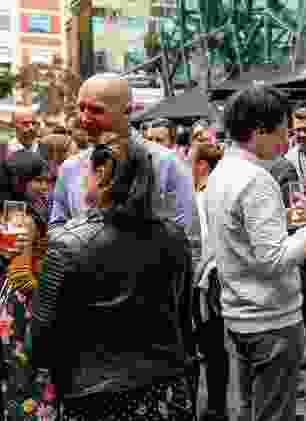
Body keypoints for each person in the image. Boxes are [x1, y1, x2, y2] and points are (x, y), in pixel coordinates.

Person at [31, 133, 197, 421]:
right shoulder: (174, 237)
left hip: (94, 399)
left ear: (102, 172)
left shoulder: (68, 245)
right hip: (164, 392)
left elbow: (40, 343)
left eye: (87, 170)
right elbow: (183, 320)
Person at [202, 85, 306, 421]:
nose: (287, 139)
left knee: (250, 408)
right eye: (283, 130)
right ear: (259, 131)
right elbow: (274, 260)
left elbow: (238, 233)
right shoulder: (256, 179)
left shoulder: (222, 173)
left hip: (240, 315)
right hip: (271, 319)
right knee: (273, 413)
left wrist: (285, 221)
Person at [49, 74, 194, 232]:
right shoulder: (71, 167)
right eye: (81, 108)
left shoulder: (165, 163)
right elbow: (57, 229)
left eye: (96, 110)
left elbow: (187, 238)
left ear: (127, 111)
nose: (84, 118)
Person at [0, 151, 52, 420]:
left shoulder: (14, 210)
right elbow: (19, 272)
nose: (44, 186)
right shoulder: (24, 217)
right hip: (22, 306)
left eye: (47, 180)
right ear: (20, 181)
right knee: (24, 371)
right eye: (37, 180)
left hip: (12, 304)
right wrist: (44, 295)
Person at [189, 142, 229, 421]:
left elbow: (207, 242)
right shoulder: (208, 193)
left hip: (205, 280)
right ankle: (216, 406)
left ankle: (215, 408)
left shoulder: (205, 195)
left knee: (210, 345)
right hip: (207, 278)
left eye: (191, 161)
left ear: (202, 165)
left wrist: (197, 272)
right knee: (212, 346)